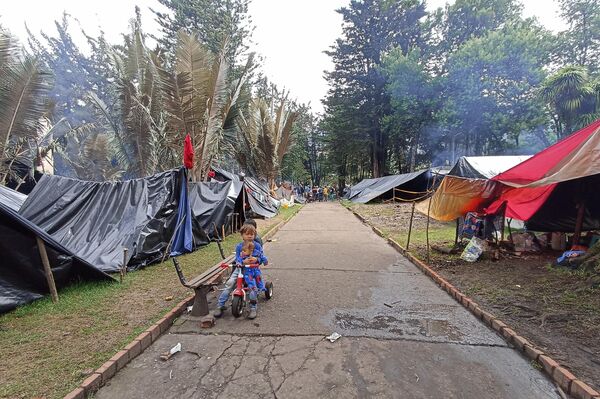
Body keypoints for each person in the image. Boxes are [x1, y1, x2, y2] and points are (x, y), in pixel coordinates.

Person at [214, 223, 267, 319]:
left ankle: (253, 307)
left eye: (252, 234)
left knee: (252, 287)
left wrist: (257, 260)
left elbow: (261, 256)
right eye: (247, 234)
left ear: (255, 235)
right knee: (230, 283)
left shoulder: (257, 246)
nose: (250, 236)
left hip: (252, 269)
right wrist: (242, 262)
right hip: (240, 269)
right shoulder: (239, 246)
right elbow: (238, 258)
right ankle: (220, 305)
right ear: (242, 235)